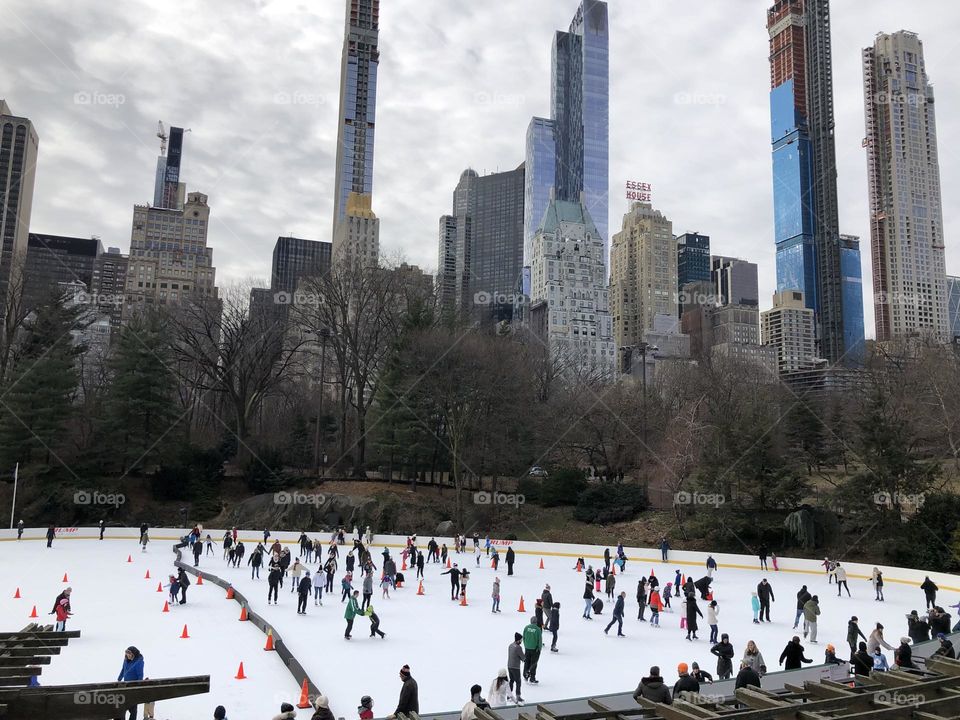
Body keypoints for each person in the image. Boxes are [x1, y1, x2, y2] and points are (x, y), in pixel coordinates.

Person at [117, 646, 144, 720]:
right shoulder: (126, 659)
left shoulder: (139, 662)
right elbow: (123, 669)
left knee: (133, 707)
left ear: (133, 654)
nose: (127, 655)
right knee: (123, 704)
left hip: (133, 687)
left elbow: (140, 675)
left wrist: (138, 687)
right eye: (126, 653)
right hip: (125, 685)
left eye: (129, 654)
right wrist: (119, 679)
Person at [522, 616, 543, 684]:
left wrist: (526, 645)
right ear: (536, 622)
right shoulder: (537, 629)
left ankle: (525, 675)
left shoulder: (526, 627)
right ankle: (532, 678)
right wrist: (539, 649)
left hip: (527, 648)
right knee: (533, 663)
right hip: (535, 649)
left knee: (527, 662)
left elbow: (524, 637)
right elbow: (540, 640)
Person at [507, 633, 524, 704]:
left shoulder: (510, 645)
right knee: (518, 682)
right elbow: (523, 657)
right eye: (521, 640)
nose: (521, 641)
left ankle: (509, 695)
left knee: (511, 680)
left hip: (509, 665)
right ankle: (518, 696)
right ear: (518, 640)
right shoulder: (518, 647)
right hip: (515, 667)